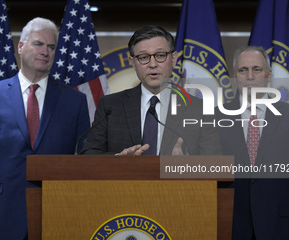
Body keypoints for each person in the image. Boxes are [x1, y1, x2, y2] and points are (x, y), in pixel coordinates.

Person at [0, 17, 90, 240]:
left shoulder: (75, 101)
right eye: (38, 44)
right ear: (21, 47)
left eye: (51, 47)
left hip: (58, 219)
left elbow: (85, 160)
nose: (45, 52)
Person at [216, 45, 289, 240]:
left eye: (257, 69)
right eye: (243, 70)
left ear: (268, 75)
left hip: (281, 232)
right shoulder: (214, 118)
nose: (250, 76)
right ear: (234, 76)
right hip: (228, 232)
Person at [82, 25, 221, 155]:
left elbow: (216, 165)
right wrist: (119, 161)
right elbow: (89, 155)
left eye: (160, 56)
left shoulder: (200, 110)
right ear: (133, 63)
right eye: (143, 57)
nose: (153, 64)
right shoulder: (110, 106)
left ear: (173, 59)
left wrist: (186, 165)